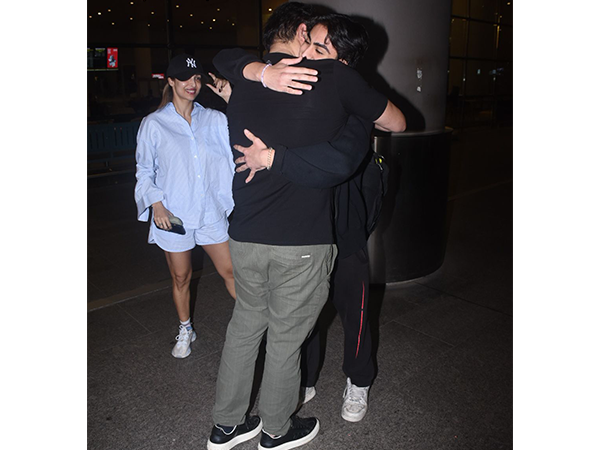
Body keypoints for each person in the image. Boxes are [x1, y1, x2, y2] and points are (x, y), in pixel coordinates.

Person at [206, 3, 405, 450]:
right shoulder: (333, 80)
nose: (313, 52)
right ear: (299, 33)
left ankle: (226, 425)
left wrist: (256, 71)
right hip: (300, 238)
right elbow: (395, 122)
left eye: (324, 46)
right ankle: (276, 430)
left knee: (244, 328)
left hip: (245, 234)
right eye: (311, 41)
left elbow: (222, 58)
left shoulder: (245, 79)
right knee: (285, 338)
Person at [134, 54, 235, 359]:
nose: (192, 84)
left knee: (231, 271)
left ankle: (254, 324)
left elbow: (245, 128)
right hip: (174, 215)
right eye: (185, 78)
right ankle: (185, 328)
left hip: (210, 212)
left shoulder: (214, 119)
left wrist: (230, 96)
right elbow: (143, 170)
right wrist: (157, 205)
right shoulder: (154, 124)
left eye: (197, 78)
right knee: (181, 277)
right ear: (170, 81)